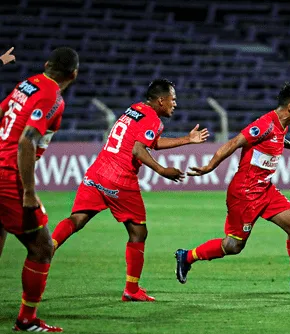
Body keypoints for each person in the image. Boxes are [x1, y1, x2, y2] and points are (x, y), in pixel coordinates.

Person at [50, 79, 209, 302]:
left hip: (97, 171)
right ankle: (132, 290)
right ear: (161, 100)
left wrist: (187, 140)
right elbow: (137, 149)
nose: (175, 104)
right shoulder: (153, 119)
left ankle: (49, 246)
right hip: (120, 178)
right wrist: (161, 170)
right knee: (138, 233)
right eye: (173, 100)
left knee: (77, 219)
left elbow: (149, 142)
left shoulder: (134, 109)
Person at [174, 82, 290, 296]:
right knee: (233, 246)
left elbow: (277, 138)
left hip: (265, 190)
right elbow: (234, 143)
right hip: (244, 193)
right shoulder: (264, 124)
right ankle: (187, 256)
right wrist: (210, 166)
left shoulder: (282, 125)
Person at [0, 47, 79, 332]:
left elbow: (0, 113)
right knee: (42, 247)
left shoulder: (27, 83)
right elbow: (26, 142)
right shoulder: (52, 98)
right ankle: (26, 319)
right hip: (8, 177)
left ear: (46, 64)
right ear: (74, 74)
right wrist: (29, 192)